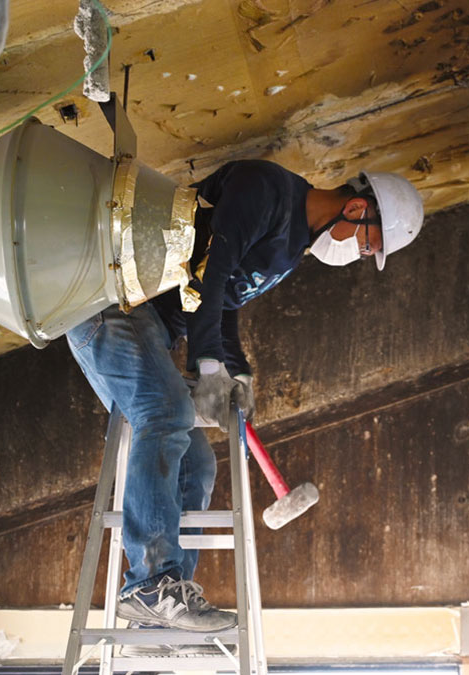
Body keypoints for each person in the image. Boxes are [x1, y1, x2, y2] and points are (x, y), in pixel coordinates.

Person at [66, 160, 424, 642]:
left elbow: (227, 300)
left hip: (149, 327)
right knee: (166, 413)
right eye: (367, 244)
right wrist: (207, 362)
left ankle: (169, 604)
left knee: (197, 462)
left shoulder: (293, 246)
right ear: (357, 208)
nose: (360, 255)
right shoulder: (267, 191)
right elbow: (212, 270)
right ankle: (150, 582)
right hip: (114, 304)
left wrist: (237, 370)